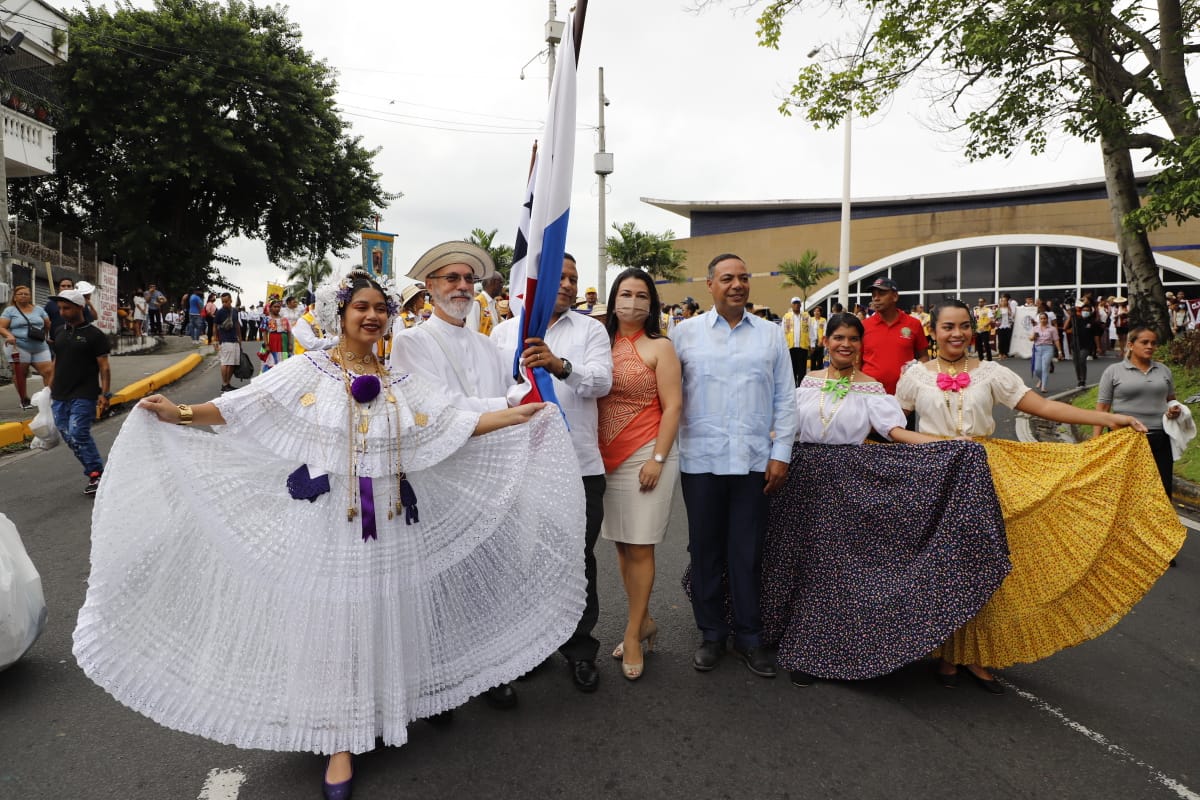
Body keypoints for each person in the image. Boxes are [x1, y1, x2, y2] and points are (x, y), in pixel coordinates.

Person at [73, 270, 587, 800]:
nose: (371, 316)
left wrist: (515, 416)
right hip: (333, 524)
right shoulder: (308, 369)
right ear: (340, 314)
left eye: (379, 309)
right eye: (360, 307)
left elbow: (448, 422)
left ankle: (385, 711)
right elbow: (241, 407)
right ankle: (339, 741)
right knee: (338, 621)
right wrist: (179, 412)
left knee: (385, 613)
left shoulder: (397, 380)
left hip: (389, 524)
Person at [896, 300, 1183, 692]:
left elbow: (1045, 406)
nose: (957, 333)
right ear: (933, 331)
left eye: (964, 326)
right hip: (933, 477)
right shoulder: (914, 376)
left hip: (984, 475)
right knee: (943, 567)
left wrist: (1109, 417)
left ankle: (977, 656)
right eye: (948, 327)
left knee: (986, 565)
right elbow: (892, 425)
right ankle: (945, 652)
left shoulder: (991, 373)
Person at [759, 312, 1009, 687]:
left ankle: (815, 652)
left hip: (844, 484)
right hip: (799, 478)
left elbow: (895, 432)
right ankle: (774, 630)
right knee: (794, 558)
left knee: (830, 568)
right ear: (825, 342)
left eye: (853, 339)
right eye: (838, 337)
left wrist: (950, 447)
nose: (845, 344)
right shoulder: (807, 382)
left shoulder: (872, 388)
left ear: (862, 345)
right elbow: (787, 425)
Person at [671, 253, 797, 679]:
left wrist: (781, 455)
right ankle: (711, 634)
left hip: (752, 463)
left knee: (747, 554)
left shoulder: (771, 335)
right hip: (701, 461)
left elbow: (786, 399)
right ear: (710, 285)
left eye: (744, 277)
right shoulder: (684, 334)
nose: (737, 285)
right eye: (728, 278)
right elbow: (670, 399)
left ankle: (749, 638)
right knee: (704, 552)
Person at [492, 254, 614, 693]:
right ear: (535, 283)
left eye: (572, 279)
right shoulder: (505, 332)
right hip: (525, 465)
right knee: (527, 558)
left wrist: (560, 365)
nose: (566, 285)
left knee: (577, 558)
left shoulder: (591, 330)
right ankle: (533, 646)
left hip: (580, 465)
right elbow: (493, 395)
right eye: (558, 278)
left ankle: (580, 650)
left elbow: (601, 382)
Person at [597, 269, 682, 681]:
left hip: (647, 454)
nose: (632, 301)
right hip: (605, 457)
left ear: (652, 304)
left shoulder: (660, 347)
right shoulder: (599, 342)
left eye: (641, 295)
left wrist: (658, 458)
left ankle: (633, 635)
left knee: (642, 545)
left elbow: (674, 407)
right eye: (626, 293)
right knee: (621, 545)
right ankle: (644, 621)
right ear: (614, 299)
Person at [1094, 327, 1179, 499]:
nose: (1150, 346)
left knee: (1161, 491)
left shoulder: (1163, 370)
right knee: (1126, 492)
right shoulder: (1114, 371)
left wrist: (1174, 411)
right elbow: (1102, 410)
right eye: (1144, 342)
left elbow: (1171, 400)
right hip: (1124, 439)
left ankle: (1160, 526)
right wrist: (1096, 441)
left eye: (1153, 343)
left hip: (1159, 437)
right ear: (1131, 345)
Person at [46, 288, 111, 495]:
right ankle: (96, 471)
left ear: (79, 307)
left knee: (78, 432)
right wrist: (49, 386)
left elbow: (104, 367)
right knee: (68, 435)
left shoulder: (95, 335)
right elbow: (57, 361)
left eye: (67, 308)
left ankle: (96, 474)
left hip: (85, 393)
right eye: (60, 308)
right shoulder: (59, 332)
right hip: (60, 394)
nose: (62, 312)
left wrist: (105, 393)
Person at [861, 277, 929, 395]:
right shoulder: (863, 326)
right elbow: (856, 362)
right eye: (873, 295)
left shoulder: (913, 324)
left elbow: (923, 357)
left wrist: (916, 380)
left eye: (881, 293)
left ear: (895, 297)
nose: (876, 298)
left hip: (905, 399)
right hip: (870, 397)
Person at [1, 285, 54, 409]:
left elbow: (47, 323)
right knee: (21, 373)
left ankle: (49, 398)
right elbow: (1, 327)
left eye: (27, 294)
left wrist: (46, 336)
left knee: (49, 371)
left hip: (40, 346)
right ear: (15, 297)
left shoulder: (39, 309)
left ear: (30, 296)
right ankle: (24, 399)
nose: (24, 296)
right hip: (18, 346)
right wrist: (9, 335)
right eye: (21, 294)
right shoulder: (10, 311)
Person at [212, 292, 242, 392]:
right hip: (225, 341)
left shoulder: (234, 311)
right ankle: (224, 384)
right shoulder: (220, 312)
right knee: (225, 362)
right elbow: (215, 326)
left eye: (226, 301)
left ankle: (227, 383)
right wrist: (215, 340)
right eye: (223, 302)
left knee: (232, 363)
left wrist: (240, 338)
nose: (224, 303)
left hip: (234, 340)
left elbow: (237, 324)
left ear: (231, 300)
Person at [782, 297, 810, 388]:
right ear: (791, 305)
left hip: (803, 346)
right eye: (794, 303)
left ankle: (801, 387)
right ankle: (792, 387)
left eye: (798, 303)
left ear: (800, 305)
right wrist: (782, 345)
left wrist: (812, 344)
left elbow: (811, 330)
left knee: (802, 369)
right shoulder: (786, 317)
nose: (796, 305)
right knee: (792, 369)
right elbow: (782, 331)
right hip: (791, 347)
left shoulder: (806, 316)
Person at [1064, 303, 1094, 387]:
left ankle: (1083, 379)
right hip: (1075, 344)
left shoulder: (1092, 322)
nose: (1085, 312)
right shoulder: (1077, 319)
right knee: (1076, 363)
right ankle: (1080, 379)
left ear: (1090, 312)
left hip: (1086, 346)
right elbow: (1065, 328)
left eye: (1087, 311)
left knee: (1081, 360)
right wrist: (1071, 316)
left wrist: (1097, 347)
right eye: (1084, 310)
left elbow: (1095, 335)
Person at [1029, 311, 1059, 393]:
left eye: (1044, 318)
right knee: (1037, 369)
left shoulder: (1052, 329)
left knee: (1045, 367)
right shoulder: (1035, 328)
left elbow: (1056, 340)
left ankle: (1044, 386)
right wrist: (1033, 336)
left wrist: (1059, 351)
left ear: (1047, 319)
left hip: (1048, 348)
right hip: (1038, 348)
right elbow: (1030, 338)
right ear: (1039, 319)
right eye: (1041, 318)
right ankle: (1041, 379)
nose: (1043, 320)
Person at [260, 298, 292, 373]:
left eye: (278, 307)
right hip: (272, 341)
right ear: (270, 308)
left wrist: (290, 344)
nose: (277, 308)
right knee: (272, 360)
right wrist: (266, 345)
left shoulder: (284, 319)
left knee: (283, 359)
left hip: (283, 341)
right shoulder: (266, 319)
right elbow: (264, 333)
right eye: (275, 307)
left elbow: (289, 332)